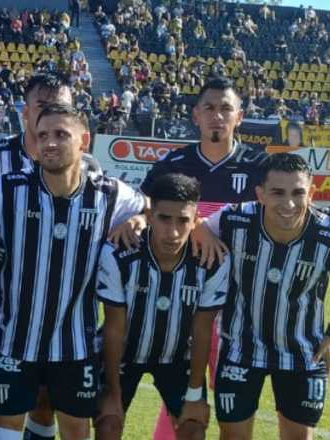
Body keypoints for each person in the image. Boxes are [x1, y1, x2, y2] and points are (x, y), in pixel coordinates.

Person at [0, 104, 146, 440]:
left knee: (76, 431)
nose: (49, 142)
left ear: (84, 140)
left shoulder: (109, 194)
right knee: (5, 431)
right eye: (42, 135)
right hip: (16, 341)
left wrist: (140, 219)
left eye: (61, 134)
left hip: (76, 346)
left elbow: (150, 206)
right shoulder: (8, 188)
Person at [200, 153, 330, 439]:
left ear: (312, 193)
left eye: (298, 192)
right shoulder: (234, 219)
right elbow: (200, 227)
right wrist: (201, 230)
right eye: (277, 192)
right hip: (240, 349)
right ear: (260, 194)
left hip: (303, 352)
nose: (288, 203)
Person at [139, 77, 268, 440]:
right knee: (181, 402)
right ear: (195, 115)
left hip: (240, 308)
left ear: (239, 116)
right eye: (209, 108)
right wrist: (195, 224)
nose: (217, 116)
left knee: (234, 405)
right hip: (185, 303)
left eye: (226, 108)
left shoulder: (260, 166)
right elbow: (145, 207)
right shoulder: (174, 163)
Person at [94, 173, 229, 440]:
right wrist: (112, 393)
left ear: (195, 220)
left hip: (178, 356)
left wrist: (194, 396)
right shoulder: (119, 253)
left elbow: (203, 329)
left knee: (193, 428)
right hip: (123, 354)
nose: (173, 231)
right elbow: (113, 327)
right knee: (108, 424)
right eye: (164, 218)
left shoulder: (212, 260)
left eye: (183, 220)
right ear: (150, 214)